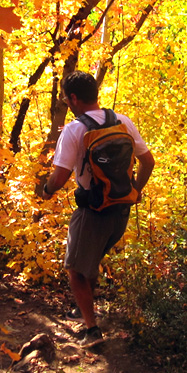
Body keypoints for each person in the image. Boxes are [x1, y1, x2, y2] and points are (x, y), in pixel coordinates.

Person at [41, 71, 155, 348]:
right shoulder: (122, 121)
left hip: (93, 210)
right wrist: (135, 190)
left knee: (75, 270)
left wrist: (46, 190)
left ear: (74, 98)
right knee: (90, 261)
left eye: (66, 99)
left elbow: (60, 178)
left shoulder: (74, 130)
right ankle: (84, 309)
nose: (67, 103)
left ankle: (92, 330)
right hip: (121, 209)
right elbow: (148, 162)